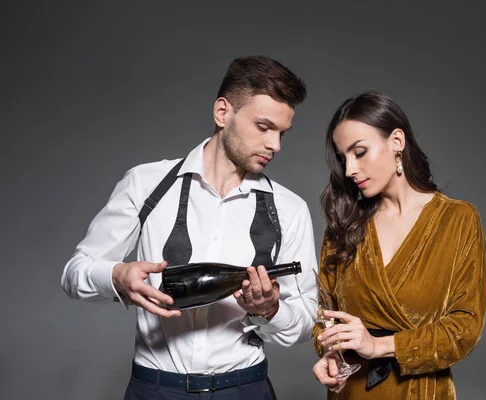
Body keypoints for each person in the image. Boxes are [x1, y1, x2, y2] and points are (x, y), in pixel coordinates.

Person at [61, 55, 318, 400]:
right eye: (264, 127)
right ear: (222, 113)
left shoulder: (289, 209)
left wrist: (270, 309)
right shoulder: (145, 184)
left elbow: (305, 319)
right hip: (155, 389)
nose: (276, 145)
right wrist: (116, 276)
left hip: (245, 389)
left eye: (282, 133)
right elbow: (75, 273)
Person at [311, 91, 486, 399]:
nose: (350, 169)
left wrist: (378, 345)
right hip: (351, 392)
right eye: (343, 159)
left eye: (360, 152)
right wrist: (329, 352)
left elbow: (465, 328)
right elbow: (322, 313)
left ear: (396, 142)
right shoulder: (343, 225)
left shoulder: (458, 220)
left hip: (421, 391)